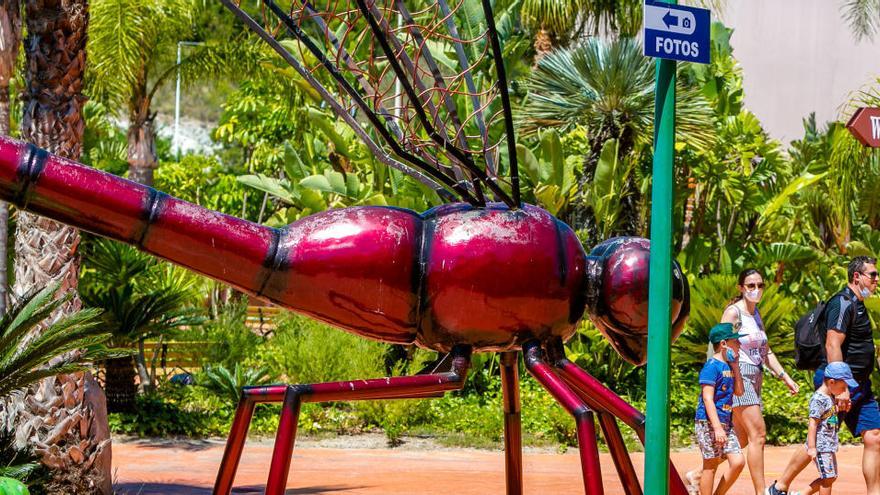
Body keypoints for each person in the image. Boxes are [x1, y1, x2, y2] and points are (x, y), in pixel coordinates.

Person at [768, 256, 880, 495]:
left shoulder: (858, 304)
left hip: (860, 385)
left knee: (874, 437)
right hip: (838, 385)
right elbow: (832, 344)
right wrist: (841, 388)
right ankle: (779, 487)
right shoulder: (842, 303)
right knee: (818, 440)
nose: (877, 280)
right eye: (873, 275)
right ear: (856, 276)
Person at [722, 269, 800, 494]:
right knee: (759, 433)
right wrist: (729, 376)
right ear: (741, 288)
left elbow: (766, 351)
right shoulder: (733, 312)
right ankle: (761, 492)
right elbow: (720, 345)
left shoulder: (755, 315)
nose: (756, 290)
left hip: (756, 376)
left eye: (759, 285)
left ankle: (698, 474)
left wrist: (785, 377)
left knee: (742, 439)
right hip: (739, 375)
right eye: (750, 286)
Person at [766, 362, 857, 495]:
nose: (844, 391)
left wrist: (839, 408)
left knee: (831, 477)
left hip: (828, 444)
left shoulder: (829, 396)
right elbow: (813, 424)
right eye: (843, 387)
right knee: (827, 478)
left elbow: (826, 415)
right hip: (821, 445)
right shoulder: (818, 399)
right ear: (831, 382)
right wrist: (812, 447)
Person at [692, 323, 746, 495]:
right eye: (735, 342)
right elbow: (707, 398)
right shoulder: (711, 366)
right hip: (709, 422)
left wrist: (736, 367)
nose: (739, 345)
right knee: (711, 464)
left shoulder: (729, 366)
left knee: (738, 461)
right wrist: (716, 428)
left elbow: (739, 391)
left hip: (725, 422)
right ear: (723, 344)